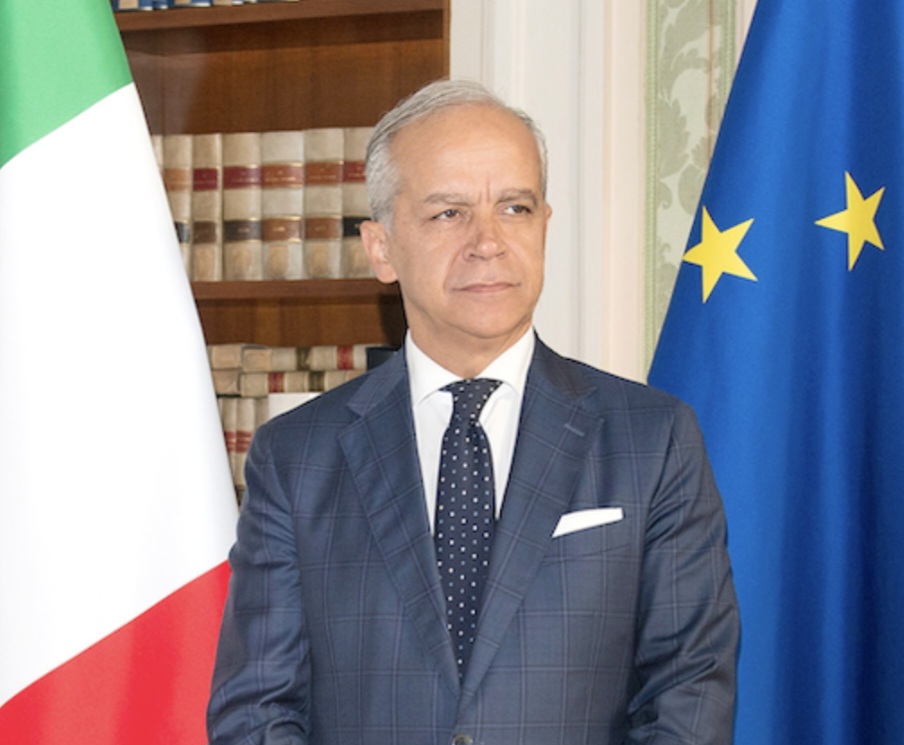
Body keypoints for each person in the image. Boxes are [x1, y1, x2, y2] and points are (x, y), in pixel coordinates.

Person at [207, 79, 739, 745]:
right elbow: (257, 712)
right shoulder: (296, 457)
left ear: (544, 225)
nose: (489, 241)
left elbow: (689, 695)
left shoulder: (652, 440)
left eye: (515, 207)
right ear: (380, 248)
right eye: (448, 213)